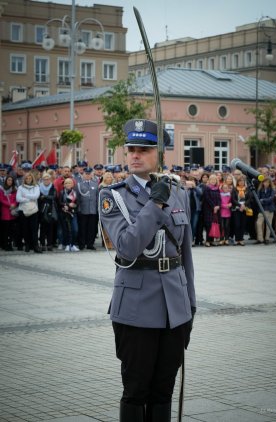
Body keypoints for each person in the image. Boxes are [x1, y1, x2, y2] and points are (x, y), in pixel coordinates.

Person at [99, 119, 196, 421]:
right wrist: (154, 204)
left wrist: (190, 304)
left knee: (163, 390)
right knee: (136, 390)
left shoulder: (177, 192)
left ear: (159, 154)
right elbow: (127, 246)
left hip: (174, 308)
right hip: (136, 308)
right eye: (131, 149)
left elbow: (186, 254)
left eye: (144, 149)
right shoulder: (112, 196)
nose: (136, 155)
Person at [16, 171, 42, 253]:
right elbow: (18, 199)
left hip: (34, 210)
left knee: (34, 229)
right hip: (23, 210)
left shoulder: (36, 187)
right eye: (26, 178)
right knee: (25, 229)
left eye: (29, 178)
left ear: (32, 178)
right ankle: (27, 245)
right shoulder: (20, 187)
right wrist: (29, 199)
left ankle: (35, 246)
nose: (28, 179)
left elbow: (36, 196)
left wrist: (25, 196)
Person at [77, 167, 99, 250]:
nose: (87, 175)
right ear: (83, 174)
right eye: (86, 174)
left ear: (91, 175)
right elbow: (78, 198)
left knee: (92, 228)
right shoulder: (79, 184)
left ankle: (90, 244)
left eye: (89, 174)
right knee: (82, 228)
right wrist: (78, 208)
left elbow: (97, 197)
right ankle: (82, 244)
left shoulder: (95, 183)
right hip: (83, 210)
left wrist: (97, 209)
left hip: (93, 210)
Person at [58, 178, 79, 252]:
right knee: (66, 230)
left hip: (73, 213)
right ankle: (67, 244)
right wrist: (66, 204)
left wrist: (74, 205)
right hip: (64, 214)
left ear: (73, 184)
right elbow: (59, 203)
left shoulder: (75, 193)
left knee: (75, 230)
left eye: (70, 183)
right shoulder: (61, 193)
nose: (68, 184)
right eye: (66, 183)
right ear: (64, 185)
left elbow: (78, 203)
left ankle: (73, 244)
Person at [38, 172, 57, 251]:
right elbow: (38, 197)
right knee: (42, 228)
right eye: (45, 179)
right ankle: (42, 244)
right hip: (41, 210)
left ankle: (49, 244)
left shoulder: (53, 187)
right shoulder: (39, 187)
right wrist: (46, 197)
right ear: (42, 180)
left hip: (50, 210)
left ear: (50, 180)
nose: (46, 180)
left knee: (50, 228)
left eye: (48, 179)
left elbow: (53, 197)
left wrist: (44, 197)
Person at [255, 177, 276, 245]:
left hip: (270, 209)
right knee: (258, 223)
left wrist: (263, 200)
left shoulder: (272, 189)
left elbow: (271, 199)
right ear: (262, 183)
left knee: (268, 225)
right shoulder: (260, 189)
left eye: (267, 182)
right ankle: (260, 239)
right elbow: (258, 199)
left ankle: (267, 239)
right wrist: (264, 200)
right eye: (265, 182)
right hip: (262, 209)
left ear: (270, 183)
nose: (266, 183)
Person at [0, 176, 18, 250]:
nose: (10, 181)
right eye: (8, 180)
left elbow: (17, 198)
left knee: (11, 230)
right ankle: (4, 244)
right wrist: (9, 204)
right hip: (5, 211)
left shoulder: (15, 189)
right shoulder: (1, 189)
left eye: (11, 180)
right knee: (5, 230)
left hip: (12, 212)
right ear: (6, 181)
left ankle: (10, 244)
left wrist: (14, 204)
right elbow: (1, 199)